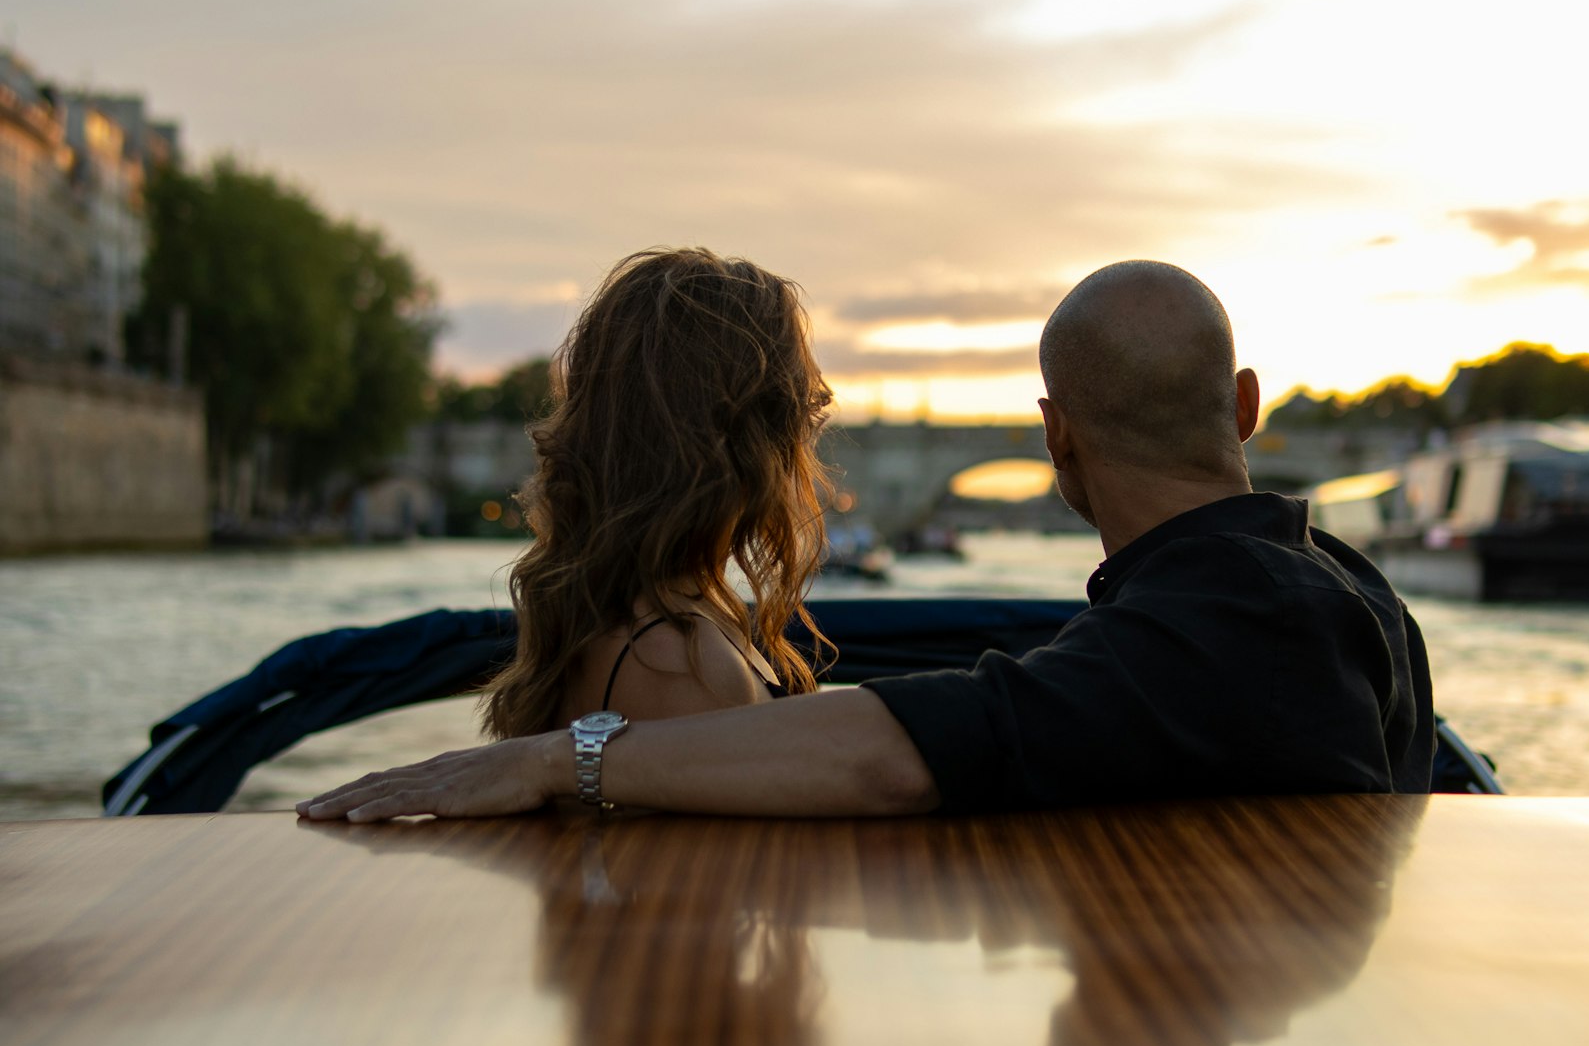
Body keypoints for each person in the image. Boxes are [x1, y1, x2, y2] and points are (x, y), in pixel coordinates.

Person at [297, 260, 1432, 823]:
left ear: (1056, 438)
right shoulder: (1350, 591)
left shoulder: (1204, 627)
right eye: (808, 409)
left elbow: (933, 741)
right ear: (1244, 405)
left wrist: (560, 755)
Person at [473, 246, 834, 745]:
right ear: (751, 440)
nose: (810, 433)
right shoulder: (683, 665)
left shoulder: (631, 617)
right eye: (805, 411)